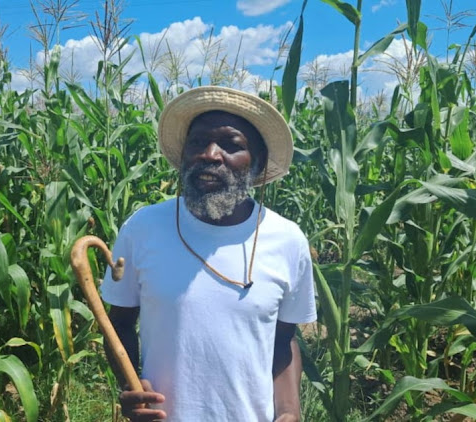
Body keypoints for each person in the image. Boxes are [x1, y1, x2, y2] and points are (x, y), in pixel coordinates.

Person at [101, 86, 317, 421]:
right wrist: (130, 386)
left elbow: (284, 340)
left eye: (232, 145)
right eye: (198, 142)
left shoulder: (287, 240)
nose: (210, 154)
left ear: (257, 164)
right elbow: (119, 324)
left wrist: (288, 410)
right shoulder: (143, 228)